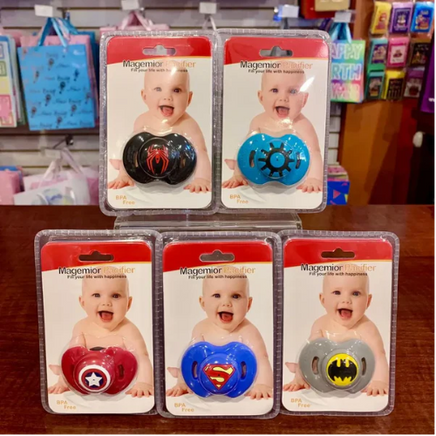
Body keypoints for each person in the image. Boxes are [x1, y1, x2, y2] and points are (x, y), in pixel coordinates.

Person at [167, 269, 273, 399]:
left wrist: (263, 384)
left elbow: (262, 360)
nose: (226, 303)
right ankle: (178, 373)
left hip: (238, 384)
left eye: (235, 296)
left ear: (248, 304)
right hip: (207, 381)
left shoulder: (248, 331)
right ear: (203, 303)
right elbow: (191, 359)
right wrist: (183, 382)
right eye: (217, 295)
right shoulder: (201, 329)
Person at [284, 264, 389, 396]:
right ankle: (296, 370)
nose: (346, 300)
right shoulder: (320, 324)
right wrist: (300, 377)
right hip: (325, 371)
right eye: (337, 292)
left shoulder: (367, 328)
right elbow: (308, 354)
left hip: (355, 375)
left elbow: (379, 356)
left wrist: (380, 381)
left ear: (368, 301)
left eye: (355, 293)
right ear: (323, 300)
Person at [48, 270, 154, 398]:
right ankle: (59, 370)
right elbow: (72, 358)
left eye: (115, 296)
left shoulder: (128, 330)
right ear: (83, 302)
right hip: (88, 374)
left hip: (118, 379)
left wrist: (144, 382)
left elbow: (142, 358)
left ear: (128, 303)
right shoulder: (81, 327)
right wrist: (64, 381)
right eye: (96, 295)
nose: (106, 302)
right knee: (65, 367)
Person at [109, 63, 211, 193]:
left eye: (176, 90)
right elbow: (132, 152)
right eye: (158, 89)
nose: (167, 97)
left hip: (177, 173)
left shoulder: (188, 124)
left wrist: (202, 178)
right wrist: (124, 174)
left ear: (189, 98)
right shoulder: (142, 121)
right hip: (147, 171)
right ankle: (119, 165)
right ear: (144, 96)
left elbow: (201, 152)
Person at [223, 63, 323, 193]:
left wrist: (314, 178)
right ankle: (234, 165)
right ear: (261, 97)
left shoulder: (303, 125)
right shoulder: (258, 121)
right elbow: (247, 151)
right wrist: (238, 174)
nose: (283, 98)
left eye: (293, 91)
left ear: (304, 99)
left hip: (290, 173)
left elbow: (314, 152)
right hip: (263, 171)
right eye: (275, 90)